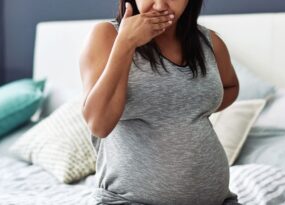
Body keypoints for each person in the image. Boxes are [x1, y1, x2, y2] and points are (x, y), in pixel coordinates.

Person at [80, 0, 240, 204]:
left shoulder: (209, 42)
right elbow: (98, 124)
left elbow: (231, 87)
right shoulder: (106, 35)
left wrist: (186, 108)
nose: (160, 4)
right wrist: (125, 44)